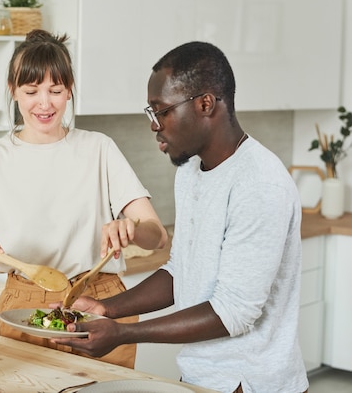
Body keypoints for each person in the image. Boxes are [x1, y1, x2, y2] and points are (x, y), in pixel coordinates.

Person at [53, 41, 309, 393]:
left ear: (205, 104)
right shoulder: (190, 171)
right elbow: (182, 271)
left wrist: (126, 333)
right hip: (200, 376)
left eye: (162, 111)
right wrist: (106, 308)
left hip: (250, 382)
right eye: (151, 112)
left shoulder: (259, 183)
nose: (154, 125)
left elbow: (233, 312)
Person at [0, 29, 167, 368]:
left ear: (70, 90)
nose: (44, 103)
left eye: (56, 90)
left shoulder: (99, 149)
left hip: (101, 298)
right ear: (13, 90)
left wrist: (131, 228)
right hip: (24, 303)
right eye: (31, 91)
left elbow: (157, 236)